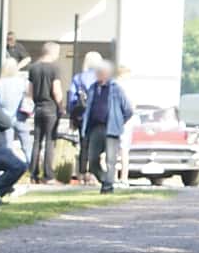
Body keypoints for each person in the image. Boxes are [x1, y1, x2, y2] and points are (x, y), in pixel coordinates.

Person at [80, 60, 135, 192]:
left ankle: (108, 187)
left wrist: (118, 121)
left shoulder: (116, 89)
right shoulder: (93, 88)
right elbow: (88, 107)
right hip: (95, 128)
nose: (99, 74)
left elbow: (128, 110)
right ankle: (105, 180)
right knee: (92, 160)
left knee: (111, 160)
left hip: (111, 128)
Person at [27, 42, 64, 183]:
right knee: (50, 141)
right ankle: (48, 175)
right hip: (50, 107)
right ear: (52, 52)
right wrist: (61, 106)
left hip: (38, 107)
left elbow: (29, 91)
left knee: (37, 141)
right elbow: (56, 90)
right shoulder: (54, 69)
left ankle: (33, 174)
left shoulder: (33, 68)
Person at [66, 51, 105, 185]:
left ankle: (82, 173)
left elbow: (72, 98)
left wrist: (72, 115)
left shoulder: (79, 78)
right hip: (98, 115)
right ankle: (94, 173)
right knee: (97, 145)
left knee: (84, 144)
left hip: (82, 115)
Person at [0, 57, 32, 157]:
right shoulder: (22, 82)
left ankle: (6, 169)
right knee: (27, 145)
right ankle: (33, 169)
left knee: (7, 146)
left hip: (4, 117)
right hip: (20, 116)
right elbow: (28, 96)